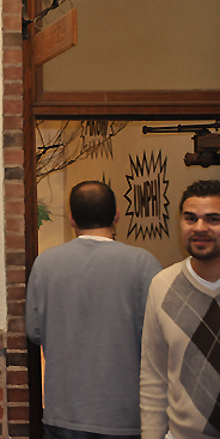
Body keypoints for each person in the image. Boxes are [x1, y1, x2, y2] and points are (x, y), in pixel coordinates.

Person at [27, 180, 162, 439]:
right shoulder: (143, 264)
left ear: (72, 219)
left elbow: (34, 332)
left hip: (63, 412)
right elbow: (159, 339)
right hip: (124, 415)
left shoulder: (45, 264)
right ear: (116, 216)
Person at [141, 179, 220, 439]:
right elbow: (153, 377)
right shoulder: (162, 285)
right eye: (190, 218)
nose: (199, 227)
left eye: (213, 219)